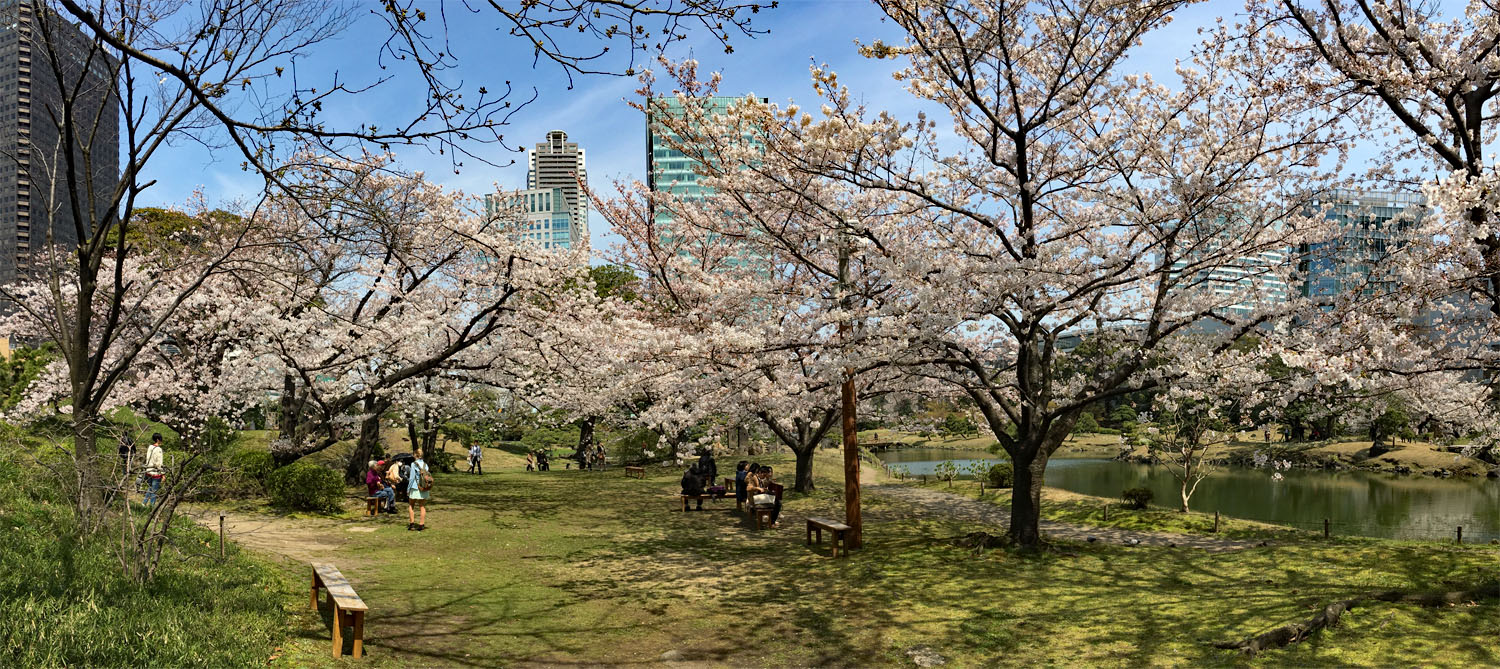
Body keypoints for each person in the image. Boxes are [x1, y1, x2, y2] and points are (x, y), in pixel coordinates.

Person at [407, 449, 431, 531]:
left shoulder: (413, 464)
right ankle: (421, 525)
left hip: (415, 487)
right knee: (422, 506)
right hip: (424, 487)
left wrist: (408, 489)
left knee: (411, 505)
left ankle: (412, 524)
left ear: (416, 455)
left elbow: (411, 478)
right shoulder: (425, 464)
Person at [142, 433, 165, 507]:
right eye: (161, 439)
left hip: (148, 471)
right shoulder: (159, 449)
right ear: (158, 440)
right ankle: (152, 507)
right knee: (154, 491)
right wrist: (163, 474)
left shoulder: (150, 447)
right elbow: (159, 463)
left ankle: (144, 503)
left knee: (150, 488)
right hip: (155, 473)